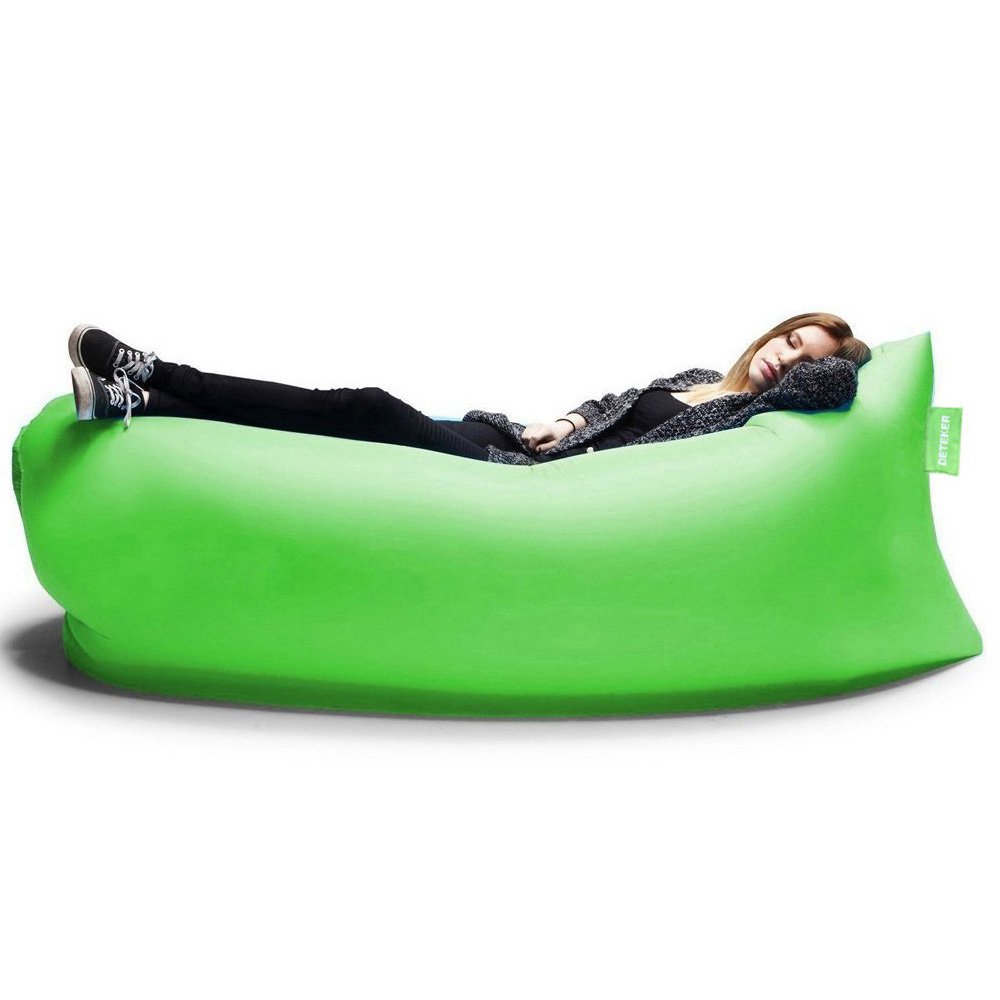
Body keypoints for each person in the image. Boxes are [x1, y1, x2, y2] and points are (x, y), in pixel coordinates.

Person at [68, 312, 872, 465]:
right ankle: (148, 402)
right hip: (513, 436)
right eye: (790, 339)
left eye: (803, 358)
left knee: (364, 407)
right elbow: (614, 406)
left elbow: (834, 380)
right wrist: (569, 419)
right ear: (771, 332)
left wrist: (848, 353)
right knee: (345, 422)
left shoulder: (745, 415)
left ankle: (159, 377)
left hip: (521, 480)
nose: (788, 360)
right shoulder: (697, 379)